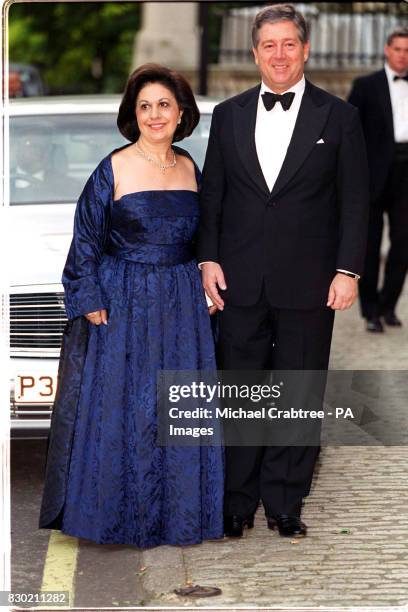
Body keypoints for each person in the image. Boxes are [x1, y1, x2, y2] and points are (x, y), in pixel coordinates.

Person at [198, 4, 369, 538]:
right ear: (255, 53)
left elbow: (356, 203)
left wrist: (348, 271)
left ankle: (285, 501)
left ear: (306, 49)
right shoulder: (227, 114)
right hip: (239, 281)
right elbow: (213, 198)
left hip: (311, 282)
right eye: (269, 45)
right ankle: (236, 501)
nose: (279, 54)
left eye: (289, 43)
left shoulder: (339, 117)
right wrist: (208, 259)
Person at [39, 64, 224, 547]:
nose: (154, 114)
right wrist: (89, 297)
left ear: (181, 112)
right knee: (126, 409)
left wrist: (207, 277)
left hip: (182, 302)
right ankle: (119, 520)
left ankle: (179, 518)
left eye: (163, 104)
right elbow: (85, 240)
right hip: (124, 301)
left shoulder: (189, 167)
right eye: (144, 106)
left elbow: (207, 236)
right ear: (133, 114)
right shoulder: (114, 167)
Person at [348, 27, 408, 333]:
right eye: (398, 49)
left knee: (404, 244)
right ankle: (370, 310)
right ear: (387, 50)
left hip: (406, 173)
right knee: (369, 246)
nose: (402, 55)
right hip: (373, 175)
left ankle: (389, 305)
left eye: (407, 50)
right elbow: (350, 133)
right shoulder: (365, 85)